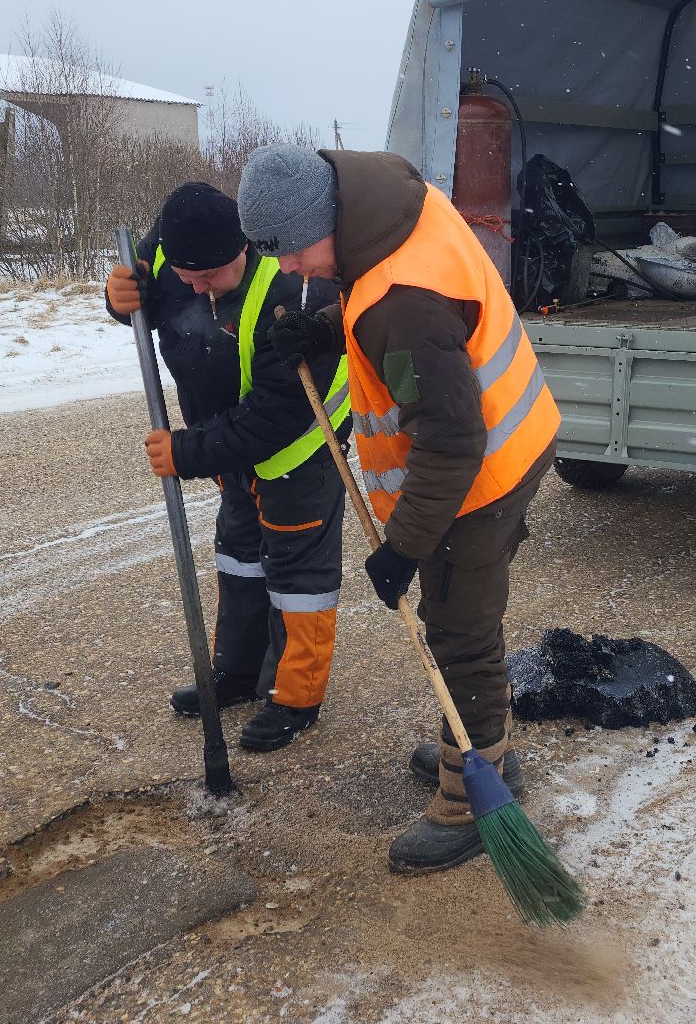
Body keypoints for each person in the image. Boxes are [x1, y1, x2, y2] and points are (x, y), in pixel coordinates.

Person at [238, 145, 561, 872]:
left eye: (292, 252)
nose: (289, 270)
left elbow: (451, 440)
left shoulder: (403, 305)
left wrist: (405, 548)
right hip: (519, 429)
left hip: (478, 480)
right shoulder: (390, 209)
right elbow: (379, 302)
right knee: (469, 619)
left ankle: (469, 800)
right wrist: (324, 329)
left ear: (324, 219)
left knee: (458, 631)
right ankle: (484, 749)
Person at [104, 182, 351, 752]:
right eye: (187, 277)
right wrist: (120, 300)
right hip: (227, 441)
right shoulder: (170, 246)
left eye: (209, 277)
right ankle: (236, 674)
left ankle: (296, 697)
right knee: (239, 556)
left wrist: (184, 453)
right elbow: (147, 305)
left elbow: (270, 420)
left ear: (242, 247)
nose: (194, 288)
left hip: (300, 446)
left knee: (297, 577)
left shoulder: (292, 291)